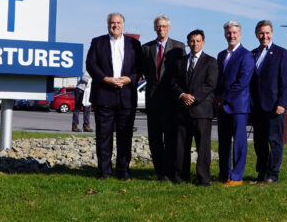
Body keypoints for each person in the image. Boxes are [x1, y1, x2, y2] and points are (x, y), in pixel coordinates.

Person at [85, 12, 143, 180]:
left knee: (125, 136)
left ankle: (123, 171)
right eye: (112, 22)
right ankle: (104, 171)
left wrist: (129, 79)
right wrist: (105, 79)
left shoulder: (133, 43)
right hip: (104, 95)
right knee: (104, 136)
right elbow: (90, 64)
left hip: (126, 96)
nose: (115, 25)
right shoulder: (98, 42)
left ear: (123, 25)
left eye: (118, 22)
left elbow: (140, 67)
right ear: (108, 24)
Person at [141, 14, 185, 181]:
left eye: (164, 26)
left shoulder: (179, 47)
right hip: (153, 99)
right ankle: (160, 171)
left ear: (169, 28)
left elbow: (182, 73)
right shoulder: (146, 48)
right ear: (154, 28)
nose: (161, 29)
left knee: (171, 137)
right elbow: (143, 72)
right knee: (155, 138)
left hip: (172, 100)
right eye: (158, 26)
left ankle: (170, 170)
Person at [171, 29, 218, 185]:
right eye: (192, 41)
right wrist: (182, 95)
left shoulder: (210, 61)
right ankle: (181, 176)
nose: (195, 44)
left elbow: (210, 84)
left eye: (198, 41)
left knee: (203, 147)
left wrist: (194, 97)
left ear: (203, 42)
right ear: (188, 43)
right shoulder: (180, 61)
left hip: (202, 111)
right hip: (182, 111)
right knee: (181, 146)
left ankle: (203, 178)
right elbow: (173, 82)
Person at [249, 20, 287, 183]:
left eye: (267, 33)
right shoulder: (252, 54)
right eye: (261, 33)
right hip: (257, 106)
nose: (264, 36)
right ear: (256, 34)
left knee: (274, 141)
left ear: (272, 34)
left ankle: (273, 174)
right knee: (259, 142)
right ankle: (261, 172)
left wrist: (282, 103)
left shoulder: (281, 53)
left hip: (275, 106)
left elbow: (286, 81)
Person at [214, 20, 254, 186]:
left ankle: (236, 176)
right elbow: (218, 79)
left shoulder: (246, 55)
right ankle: (224, 174)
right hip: (222, 106)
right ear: (225, 34)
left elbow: (243, 81)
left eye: (234, 32)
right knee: (223, 142)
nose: (231, 35)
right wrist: (216, 97)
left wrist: (224, 97)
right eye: (229, 33)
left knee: (238, 143)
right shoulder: (221, 55)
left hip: (238, 106)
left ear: (240, 34)